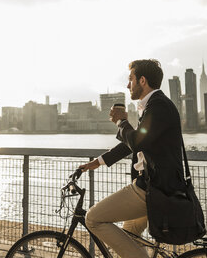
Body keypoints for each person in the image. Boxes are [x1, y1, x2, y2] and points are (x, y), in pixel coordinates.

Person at [79, 59, 186, 258]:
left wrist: (121, 121)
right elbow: (136, 141)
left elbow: (136, 141)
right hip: (159, 187)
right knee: (130, 234)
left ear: (142, 81)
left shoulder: (158, 106)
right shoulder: (154, 105)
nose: (128, 85)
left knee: (93, 219)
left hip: (153, 190)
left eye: (131, 80)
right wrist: (99, 161)